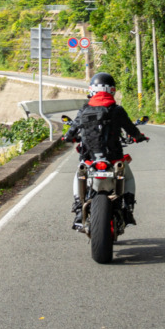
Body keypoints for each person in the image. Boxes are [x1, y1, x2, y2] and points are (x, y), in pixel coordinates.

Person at [63, 72, 148, 230]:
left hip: (89, 157)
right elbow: (131, 129)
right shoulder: (117, 110)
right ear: (112, 90)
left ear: (92, 90)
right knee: (128, 178)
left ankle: (78, 208)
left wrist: (67, 137)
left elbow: (72, 131)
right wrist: (139, 137)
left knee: (78, 175)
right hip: (114, 157)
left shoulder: (84, 110)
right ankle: (128, 209)